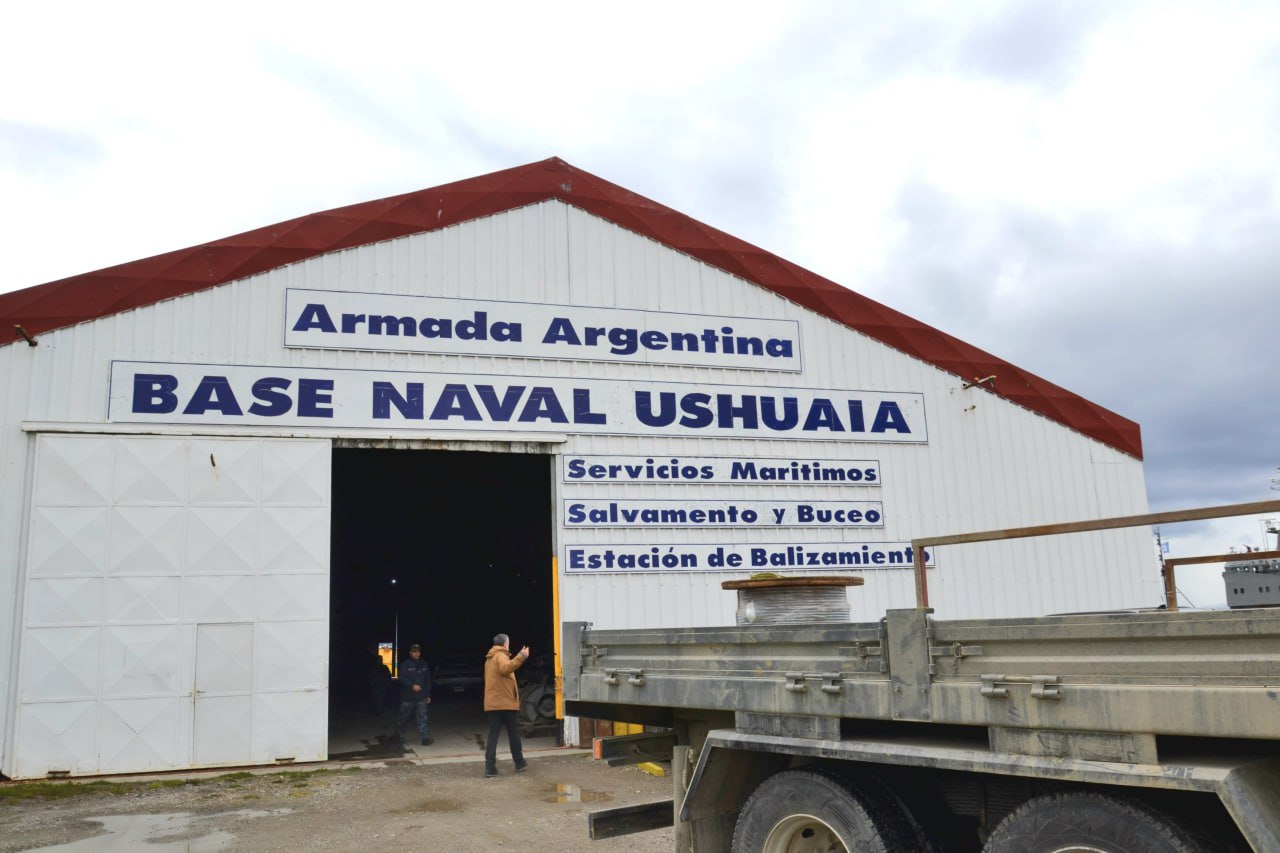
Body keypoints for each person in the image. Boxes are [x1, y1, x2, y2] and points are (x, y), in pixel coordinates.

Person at [483, 633, 529, 777]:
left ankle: (490, 767)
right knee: (513, 733)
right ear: (504, 644)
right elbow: (506, 668)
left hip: (493, 704)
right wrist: (522, 656)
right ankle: (519, 762)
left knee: (493, 735)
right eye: (508, 643)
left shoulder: (489, 659)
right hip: (505, 703)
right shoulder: (501, 656)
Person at [396, 643, 433, 746]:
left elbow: (427, 681)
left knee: (422, 716)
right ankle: (399, 735)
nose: (417, 654)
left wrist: (428, 695)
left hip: (421, 696)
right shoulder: (406, 664)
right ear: (410, 653)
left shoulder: (424, 664)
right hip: (408, 696)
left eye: (418, 652)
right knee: (404, 717)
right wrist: (412, 686)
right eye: (414, 652)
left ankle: (425, 738)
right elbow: (402, 678)